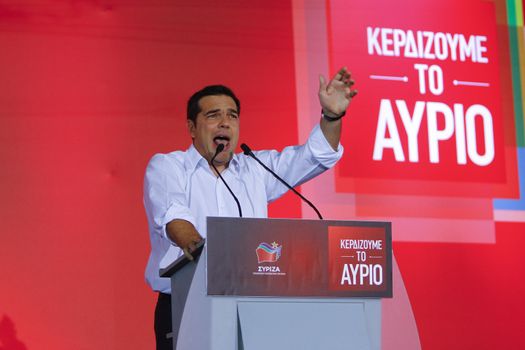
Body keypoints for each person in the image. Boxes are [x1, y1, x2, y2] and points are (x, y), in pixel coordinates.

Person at [143, 67, 357, 350]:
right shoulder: (168, 166)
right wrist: (203, 254)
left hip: (252, 309)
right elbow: (173, 216)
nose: (225, 123)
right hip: (185, 306)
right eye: (213, 115)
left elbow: (314, 156)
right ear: (192, 128)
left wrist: (332, 116)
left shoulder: (256, 168)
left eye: (232, 115)